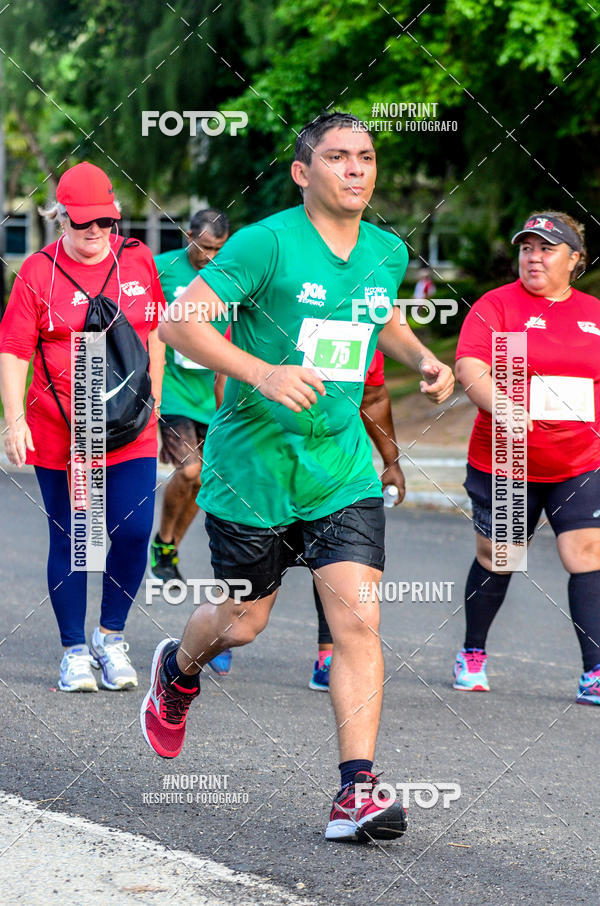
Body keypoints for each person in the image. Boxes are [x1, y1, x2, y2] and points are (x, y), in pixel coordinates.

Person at [140, 111, 454, 842]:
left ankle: (356, 792)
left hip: (339, 470)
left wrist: (423, 359)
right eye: (338, 157)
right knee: (244, 622)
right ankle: (178, 670)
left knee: (358, 621)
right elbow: (180, 323)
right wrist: (263, 372)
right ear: (301, 172)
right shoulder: (265, 243)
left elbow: (381, 317)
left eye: (365, 156)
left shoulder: (385, 250)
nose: (356, 168)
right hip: (253, 471)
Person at [0, 161, 165, 692]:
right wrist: (14, 421)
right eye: (82, 222)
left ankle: (110, 637)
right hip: (65, 431)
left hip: (131, 425)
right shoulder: (38, 271)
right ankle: (73, 650)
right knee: (77, 539)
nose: (94, 231)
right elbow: (13, 349)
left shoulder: (137, 260)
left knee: (134, 531)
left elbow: (155, 332)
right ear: (60, 217)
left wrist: (155, 400)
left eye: (104, 221)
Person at [453, 211, 600, 706]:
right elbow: (470, 366)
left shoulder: (593, 314)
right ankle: (472, 653)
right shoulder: (498, 306)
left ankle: (595, 672)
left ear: (574, 259)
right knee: (501, 557)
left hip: (580, 462)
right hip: (507, 459)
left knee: (588, 553)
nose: (533, 257)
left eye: (546, 249)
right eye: (526, 248)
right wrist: (503, 406)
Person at [149, 210, 231, 677]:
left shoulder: (230, 275)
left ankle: (169, 549)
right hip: (174, 392)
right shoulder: (162, 268)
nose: (210, 257)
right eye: (204, 247)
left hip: (211, 397)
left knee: (204, 481)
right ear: (188, 237)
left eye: (218, 249)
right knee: (190, 470)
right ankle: (164, 542)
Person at [310, 349, 405, 691]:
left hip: (342, 475)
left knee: (338, 565)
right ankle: (222, 630)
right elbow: (227, 383)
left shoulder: (364, 328)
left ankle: (328, 655)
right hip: (266, 472)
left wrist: (391, 462)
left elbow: (374, 396)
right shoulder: (264, 320)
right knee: (245, 615)